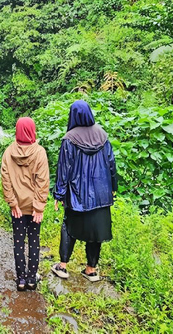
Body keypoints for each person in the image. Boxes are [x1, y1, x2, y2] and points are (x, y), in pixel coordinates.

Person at [51, 100, 117, 282]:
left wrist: (58, 194)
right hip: (101, 194)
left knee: (69, 226)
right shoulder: (103, 136)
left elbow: (63, 169)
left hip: (77, 193)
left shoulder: (69, 139)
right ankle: (91, 270)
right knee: (96, 230)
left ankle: (63, 266)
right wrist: (113, 187)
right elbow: (111, 164)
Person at [1, 117, 50, 291]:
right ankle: (31, 280)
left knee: (19, 241)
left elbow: (5, 181)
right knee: (34, 241)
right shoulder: (39, 152)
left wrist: (13, 203)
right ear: (32, 131)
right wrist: (38, 206)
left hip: (18, 208)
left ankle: (21, 280)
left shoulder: (8, 152)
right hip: (33, 207)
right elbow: (43, 181)